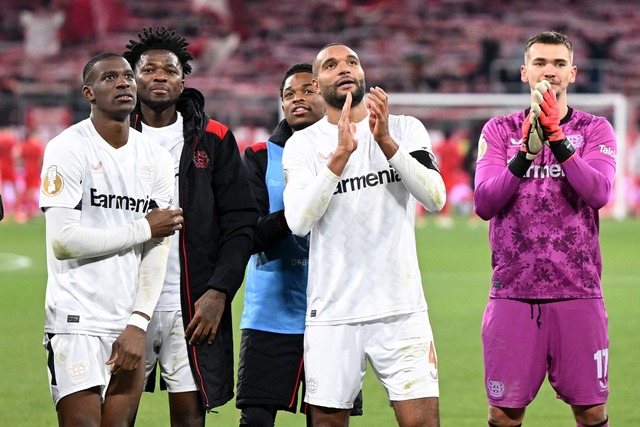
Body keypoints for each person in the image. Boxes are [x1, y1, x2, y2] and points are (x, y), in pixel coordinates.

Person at [282, 43, 446, 426]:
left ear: (362, 74)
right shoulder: (302, 146)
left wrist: (387, 142)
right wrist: (339, 157)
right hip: (334, 312)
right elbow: (299, 223)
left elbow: (435, 198)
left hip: (402, 309)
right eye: (330, 65)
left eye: (351, 62)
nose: (343, 69)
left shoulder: (405, 128)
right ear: (317, 81)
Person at [473, 31, 616, 427]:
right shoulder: (500, 131)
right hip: (512, 292)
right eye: (539, 63)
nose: (548, 71)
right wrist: (525, 153)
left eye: (557, 64)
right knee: (503, 414)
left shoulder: (594, 129)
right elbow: (484, 202)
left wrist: (557, 139)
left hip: (579, 290)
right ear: (524, 72)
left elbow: (599, 192)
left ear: (573, 73)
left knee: (590, 412)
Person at [123, 27, 258, 425]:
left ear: (184, 80)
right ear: (133, 77)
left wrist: (219, 291)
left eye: (171, 69)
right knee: (114, 412)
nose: (160, 76)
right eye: (149, 69)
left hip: (193, 303)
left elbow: (240, 222)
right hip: (123, 301)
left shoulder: (214, 138)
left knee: (189, 417)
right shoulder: (109, 137)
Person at [40, 51, 183, 426]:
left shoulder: (156, 157)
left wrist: (138, 322)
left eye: (127, 77)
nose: (124, 83)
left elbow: (159, 246)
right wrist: (143, 227)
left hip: (129, 323)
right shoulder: (66, 147)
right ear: (89, 93)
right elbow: (64, 241)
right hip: (76, 320)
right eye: (110, 78)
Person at [236, 63, 363, 426]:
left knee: (329, 420)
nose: (297, 99)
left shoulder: (356, 150)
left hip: (337, 312)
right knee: (256, 419)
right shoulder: (260, 156)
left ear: (325, 94)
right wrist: (293, 218)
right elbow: (251, 233)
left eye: (307, 90)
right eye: (288, 94)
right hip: (270, 314)